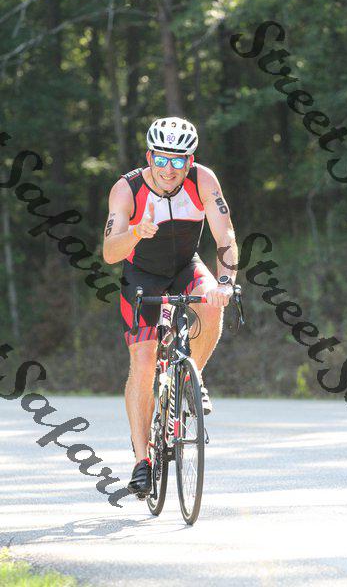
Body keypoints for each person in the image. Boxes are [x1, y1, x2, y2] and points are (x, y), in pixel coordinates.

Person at [103, 117, 238, 496]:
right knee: (143, 362)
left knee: (211, 301)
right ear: (149, 157)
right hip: (141, 276)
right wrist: (135, 232)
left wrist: (225, 282)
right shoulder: (127, 189)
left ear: (190, 161)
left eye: (179, 161)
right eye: (162, 159)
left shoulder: (203, 181)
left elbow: (225, 234)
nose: (169, 169)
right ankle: (141, 461)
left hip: (184, 267)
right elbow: (110, 252)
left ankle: (193, 376)